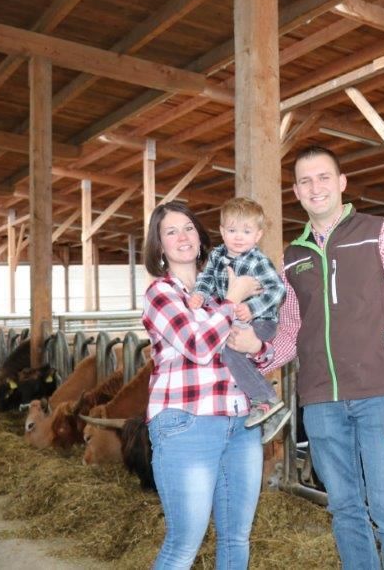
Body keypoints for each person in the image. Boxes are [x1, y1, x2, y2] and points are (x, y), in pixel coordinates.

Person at [262, 145, 384, 569]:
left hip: (382, 395)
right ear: (296, 192)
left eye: (323, 178)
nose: (315, 187)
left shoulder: (380, 232)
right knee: (344, 509)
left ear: (341, 184)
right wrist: (246, 362)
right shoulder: (292, 257)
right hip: (321, 402)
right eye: (305, 181)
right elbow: (289, 332)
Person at [141, 200, 268, 570]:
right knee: (184, 544)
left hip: (240, 423)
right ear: (159, 246)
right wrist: (232, 299)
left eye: (189, 228)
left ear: (200, 236)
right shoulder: (161, 294)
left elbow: (254, 354)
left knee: (236, 538)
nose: (182, 236)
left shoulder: (217, 292)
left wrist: (258, 347)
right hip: (187, 423)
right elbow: (197, 347)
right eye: (170, 231)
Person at [187, 197, 289, 436]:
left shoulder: (258, 260)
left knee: (231, 351)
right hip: (236, 319)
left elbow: (277, 289)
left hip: (261, 321)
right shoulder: (216, 256)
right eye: (232, 230)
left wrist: (252, 307)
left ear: (258, 235)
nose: (238, 236)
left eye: (246, 230)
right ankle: (264, 405)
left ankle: (266, 400)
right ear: (222, 231)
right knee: (226, 350)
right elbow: (206, 279)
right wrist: (199, 294)